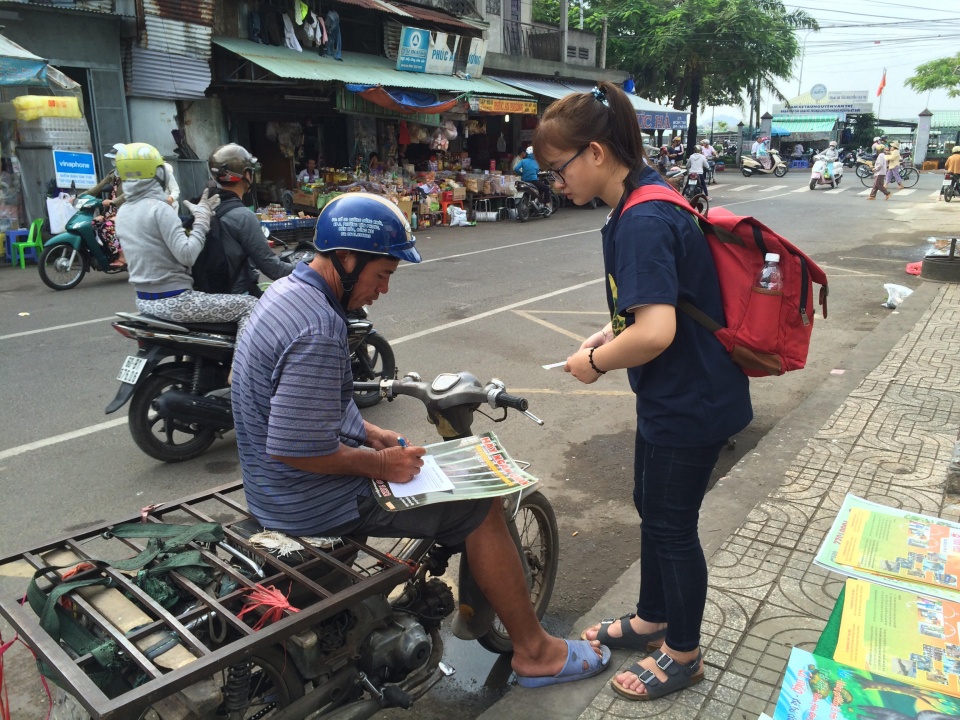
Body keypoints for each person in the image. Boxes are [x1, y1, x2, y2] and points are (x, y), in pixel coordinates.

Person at [231, 192, 610, 688]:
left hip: (270, 488)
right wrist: (382, 465)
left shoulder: (286, 295)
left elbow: (295, 408)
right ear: (348, 260)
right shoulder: (318, 327)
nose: (384, 290)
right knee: (480, 505)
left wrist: (365, 431)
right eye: (382, 274)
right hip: (305, 501)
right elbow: (295, 446)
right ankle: (536, 653)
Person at [533, 82, 752, 701]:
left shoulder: (643, 218)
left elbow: (655, 331)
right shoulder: (646, 199)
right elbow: (650, 307)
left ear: (595, 153)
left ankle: (683, 652)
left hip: (691, 399)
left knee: (673, 524)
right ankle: (652, 617)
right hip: (677, 393)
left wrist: (597, 362)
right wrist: (602, 336)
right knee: (651, 505)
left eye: (558, 169)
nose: (557, 182)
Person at [113, 142, 258, 339]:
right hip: (176, 301)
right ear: (159, 174)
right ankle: (240, 369)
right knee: (251, 306)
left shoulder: (123, 212)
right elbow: (187, 255)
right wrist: (202, 220)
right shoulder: (160, 209)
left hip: (144, 301)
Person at [207, 143, 295, 296]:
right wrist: (309, 267)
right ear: (247, 175)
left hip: (208, 296)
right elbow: (274, 270)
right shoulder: (243, 216)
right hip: (238, 298)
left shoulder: (203, 207)